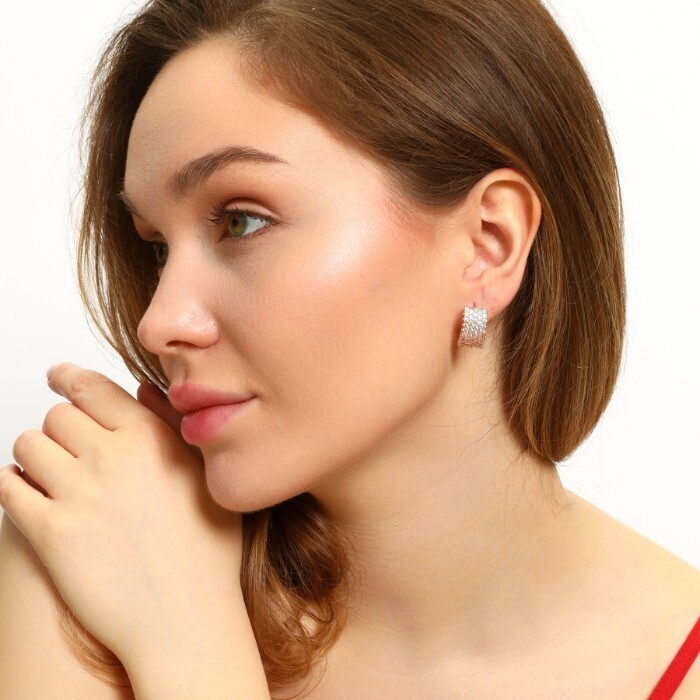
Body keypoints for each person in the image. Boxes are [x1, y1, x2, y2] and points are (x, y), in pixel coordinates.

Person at [1, 0, 698, 698]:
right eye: (157, 249)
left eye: (241, 221)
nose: (157, 324)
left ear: (488, 243)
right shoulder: (94, 558)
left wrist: (191, 651)